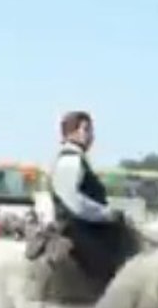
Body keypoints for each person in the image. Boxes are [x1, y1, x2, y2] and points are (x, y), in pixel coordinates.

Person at [48, 111, 136, 291]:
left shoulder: (77, 159)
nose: (91, 136)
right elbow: (74, 202)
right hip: (78, 231)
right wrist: (107, 214)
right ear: (71, 133)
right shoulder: (70, 160)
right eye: (86, 130)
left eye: (90, 130)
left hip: (85, 228)